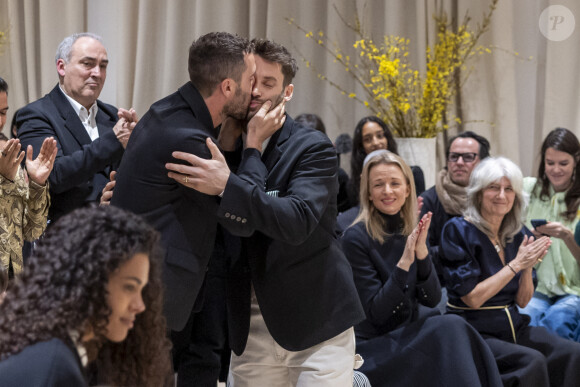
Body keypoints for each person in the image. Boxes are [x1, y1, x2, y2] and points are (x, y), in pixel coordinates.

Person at [166, 38, 365, 386]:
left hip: (316, 319)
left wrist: (237, 174)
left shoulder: (312, 147)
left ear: (287, 93)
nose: (255, 91)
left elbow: (296, 220)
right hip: (250, 323)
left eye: (268, 83)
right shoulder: (216, 145)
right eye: (251, 80)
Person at [340, 150, 502, 386]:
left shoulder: (413, 229)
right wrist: (404, 262)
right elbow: (377, 314)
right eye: (379, 185)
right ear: (369, 194)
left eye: (395, 183)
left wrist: (422, 253)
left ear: (407, 190)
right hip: (377, 344)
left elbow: (432, 298)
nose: (387, 191)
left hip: (411, 330)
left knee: (454, 328)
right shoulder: (354, 238)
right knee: (450, 328)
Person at [440, 156, 580, 386]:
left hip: (512, 326)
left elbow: (523, 302)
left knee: (572, 352)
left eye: (509, 189)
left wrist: (527, 269)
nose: (502, 196)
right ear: (478, 193)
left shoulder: (516, 232)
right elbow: (472, 298)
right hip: (472, 331)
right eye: (493, 188)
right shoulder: (458, 230)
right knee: (532, 361)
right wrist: (516, 264)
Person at [0, 205, 173, 386]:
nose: (140, 305)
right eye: (129, 287)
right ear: (90, 280)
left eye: (142, 290)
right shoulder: (55, 364)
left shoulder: (48, 345)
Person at [16, 32, 137, 223]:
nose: (97, 73)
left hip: (116, 230)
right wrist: (114, 140)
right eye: (88, 64)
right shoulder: (36, 114)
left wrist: (136, 144)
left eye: (103, 66)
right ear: (62, 67)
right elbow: (54, 176)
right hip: (65, 236)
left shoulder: (113, 116)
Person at [518, 128, 580, 342]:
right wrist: (530, 236)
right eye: (550, 162)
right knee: (524, 318)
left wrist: (567, 237)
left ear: (576, 162)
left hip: (573, 289)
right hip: (536, 285)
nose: (555, 170)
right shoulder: (528, 188)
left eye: (563, 163)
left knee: (558, 320)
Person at [420, 131, 491, 311]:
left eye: (468, 157)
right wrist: (459, 251)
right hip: (444, 284)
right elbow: (422, 256)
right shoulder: (428, 201)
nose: (459, 162)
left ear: (483, 162)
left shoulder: (493, 198)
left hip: (488, 280)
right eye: (454, 157)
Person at [0, 77, 58, 279]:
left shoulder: (6, 150)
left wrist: (36, 184)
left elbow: (31, 231)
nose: (0, 122)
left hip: (14, 284)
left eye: (3, 113)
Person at [337, 116, 425, 234]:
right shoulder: (352, 185)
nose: (376, 143)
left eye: (380, 136)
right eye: (368, 139)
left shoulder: (413, 173)